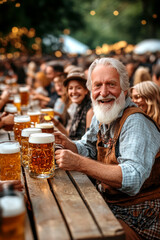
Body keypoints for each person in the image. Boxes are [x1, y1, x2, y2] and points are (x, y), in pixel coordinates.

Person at [54, 57, 160, 240]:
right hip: (112, 205)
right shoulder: (102, 113)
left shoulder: (136, 122)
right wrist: (68, 143)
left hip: (141, 217)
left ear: (125, 89)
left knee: (74, 231)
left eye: (111, 84)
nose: (103, 92)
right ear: (91, 90)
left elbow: (132, 177)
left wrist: (79, 163)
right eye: (97, 85)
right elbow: (88, 147)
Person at [53, 72, 93, 140]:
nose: (74, 92)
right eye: (70, 88)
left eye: (78, 88)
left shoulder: (90, 111)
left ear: (86, 90)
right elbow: (70, 136)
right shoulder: (77, 106)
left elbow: (88, 144)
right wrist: (55, 122)